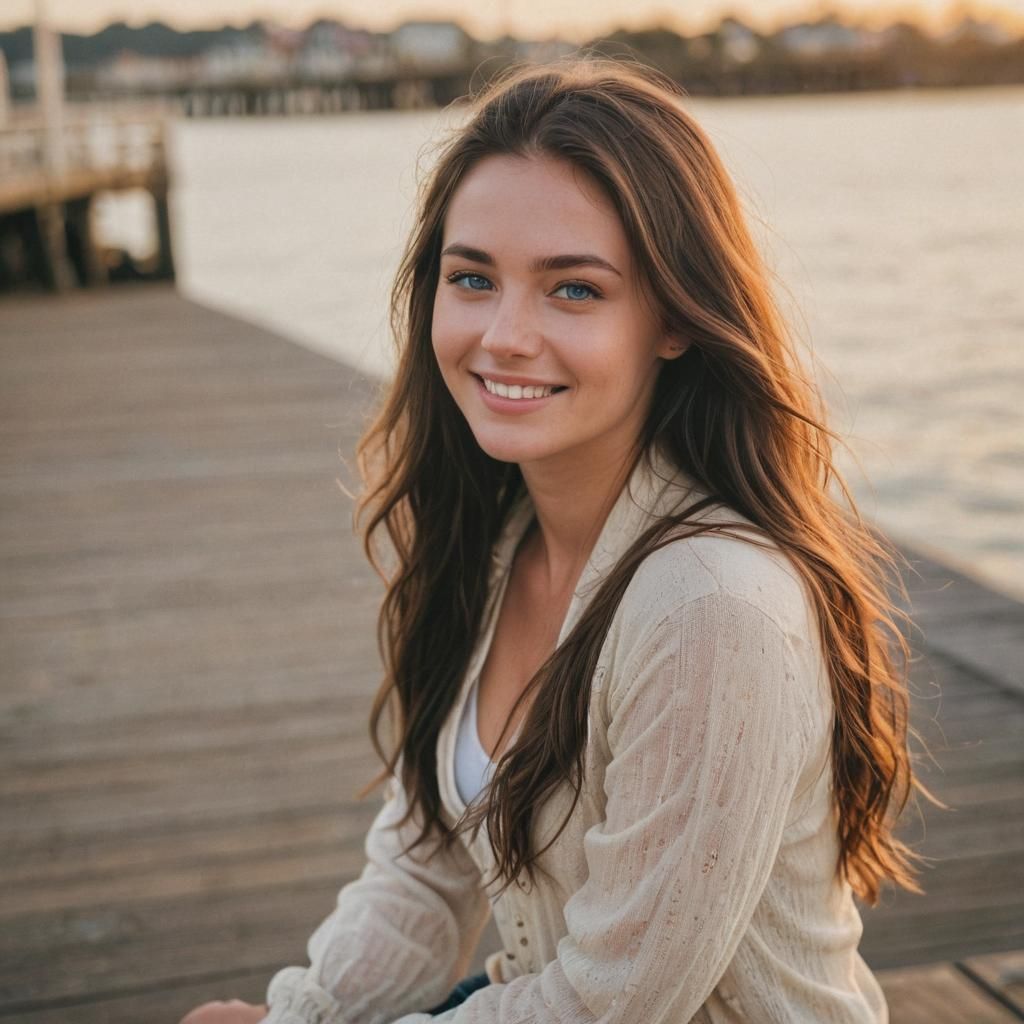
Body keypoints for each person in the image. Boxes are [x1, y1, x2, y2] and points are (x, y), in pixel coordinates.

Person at [181, 57, 932, 1024]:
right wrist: (308, 1014)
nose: (504, 334)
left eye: (573, 291)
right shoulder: (496, 539)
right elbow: (422, 869)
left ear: (671, 319)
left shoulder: (711, 606)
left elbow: (606, 1004)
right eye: (473, 278)